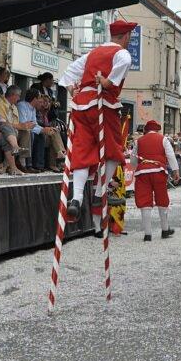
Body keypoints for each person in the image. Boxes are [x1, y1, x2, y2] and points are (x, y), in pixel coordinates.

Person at [58, 20, 138, 220]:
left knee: (82, 151)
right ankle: (98, 193)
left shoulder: (91, 54)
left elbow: (68, 73)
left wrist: (71, 88)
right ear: (126, 36)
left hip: (81, 106)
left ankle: (76, 198)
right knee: (113, 151)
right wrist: (108, 81)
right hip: (102, 105)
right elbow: (124, 63)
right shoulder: (122, 52)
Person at [131, 120, 180, 241]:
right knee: (162, 199)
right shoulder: (163, 139)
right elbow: (171, 155)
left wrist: (136, 167)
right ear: (157, 130)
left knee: (144, 201)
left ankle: (147, 234)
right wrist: (176, 171)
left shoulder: (139, 141)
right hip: (159, 171)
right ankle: (165, 229)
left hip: (143, 173)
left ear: (146, 130)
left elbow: (133, 159)